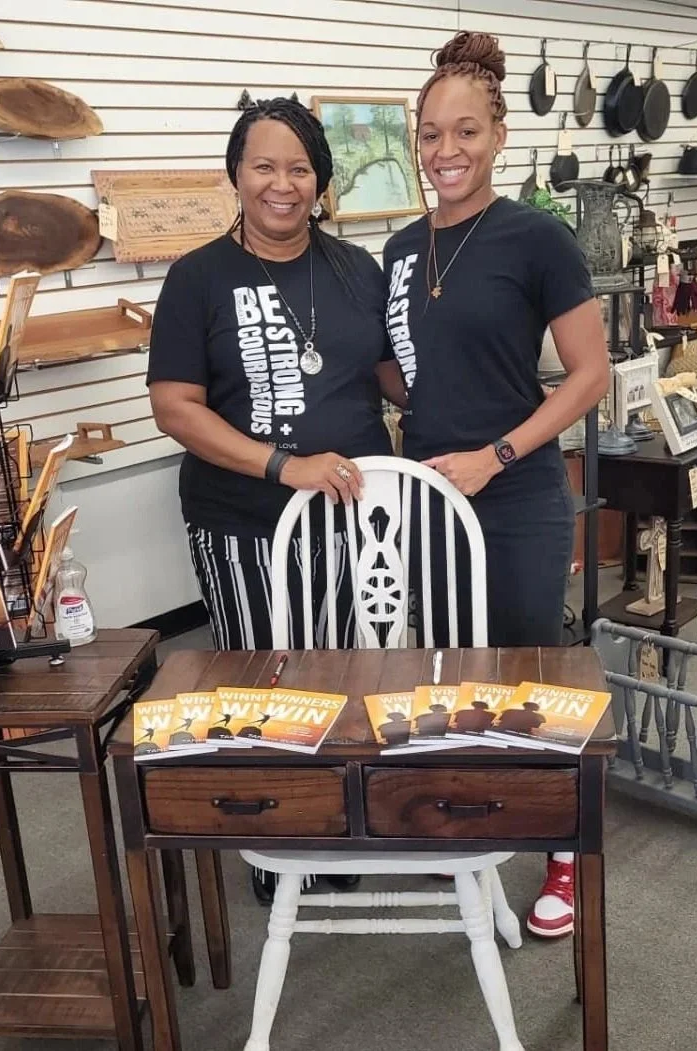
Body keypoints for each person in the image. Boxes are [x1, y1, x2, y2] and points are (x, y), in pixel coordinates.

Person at [382, 30, 610, 940]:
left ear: (499, 134)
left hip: (512, 495)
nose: (447, 151)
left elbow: (590, 375)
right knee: (456, 673)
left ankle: (559, 853)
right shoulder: (399, 251)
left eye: (465, 132)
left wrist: (497, 456)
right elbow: (411, 375)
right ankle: (473, 822)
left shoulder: (536, 237)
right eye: (431, 134)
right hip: (430, 498)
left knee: (532, 673)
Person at [147, 96, 396, 903]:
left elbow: (391, 376)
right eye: (264, 165)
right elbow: (176, 407)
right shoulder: (197, 279)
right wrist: (282, 464)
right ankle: (278, 827)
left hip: (358, 516)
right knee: (266, 676)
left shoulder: (358, 270)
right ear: (237, 174)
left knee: (353, 668)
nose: (282, 184)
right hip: (243, 521)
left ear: (322, 182)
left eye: (300, 168)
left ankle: (351, 814)